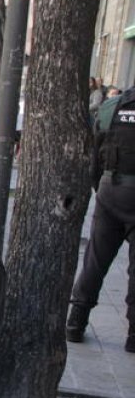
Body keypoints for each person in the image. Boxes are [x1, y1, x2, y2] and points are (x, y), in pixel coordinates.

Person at [67, 85, 135, 353]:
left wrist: (102, 188)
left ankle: (75, 323)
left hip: (110, 191)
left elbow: (95, 156)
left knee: (95, 260)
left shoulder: (112, 107)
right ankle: (133, 337)